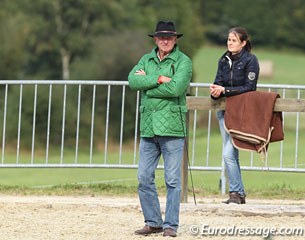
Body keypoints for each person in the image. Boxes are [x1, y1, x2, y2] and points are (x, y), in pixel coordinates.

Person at [128, 20, 192, 237]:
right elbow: (132, 81)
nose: (165, 40)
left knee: (172, 180)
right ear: (155, 39)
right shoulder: (146, 59)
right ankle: (153, 221)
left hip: (173, 129)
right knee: (144, 178)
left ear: (175, 40)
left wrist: (148, 86)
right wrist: (158, 78)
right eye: (161, 37)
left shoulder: (184, 61)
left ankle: (170, 225)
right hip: (148, 128)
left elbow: (176, 88)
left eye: (169, 37)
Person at [210, 27, 260, 204]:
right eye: (229, 40)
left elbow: (250, 87)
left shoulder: (251, 60)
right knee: (231, 155)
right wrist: (215, 91)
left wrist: (226, 90)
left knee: (228, 154)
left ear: (243, 43)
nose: (229, 43)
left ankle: (235, 193)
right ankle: (238, 194)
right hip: (224, 112)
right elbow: (218, 82)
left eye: (233, 40)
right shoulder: (223, 60)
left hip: (242, 112)